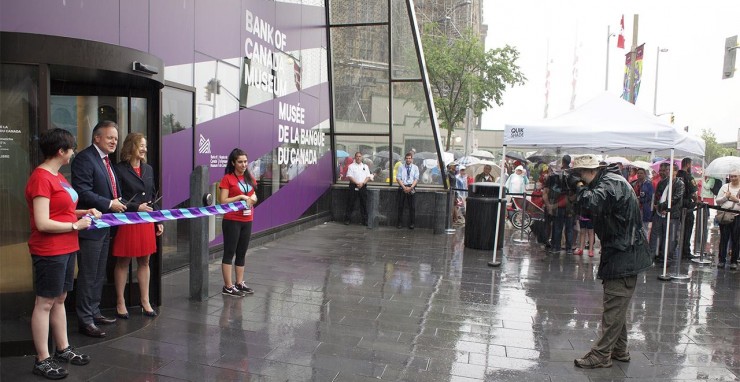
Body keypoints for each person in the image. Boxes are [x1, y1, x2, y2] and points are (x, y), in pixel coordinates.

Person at [25, 128, 100, 379]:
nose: (73, 153)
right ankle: (42, 359)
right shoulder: (41, 178)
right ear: (61, 151)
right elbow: (42, 222)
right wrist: (74, 225)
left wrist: (84, 212)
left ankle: (63, 348)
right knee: (44, 302)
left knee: (59, 299)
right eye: (71, 149)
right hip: (50, 250)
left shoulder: (58, 177)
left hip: (68, 247)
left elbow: (63, 211)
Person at [567, 154, 652, 369]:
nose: (579, 181)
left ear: (587, 172)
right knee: (616, 302)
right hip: (621, 251)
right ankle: (619, 349)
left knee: (614, 304)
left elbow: (592, 202)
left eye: (580, 176)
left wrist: (577, 186)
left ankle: (601, 354)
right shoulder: (610, 181)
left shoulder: (610, 183)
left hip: (624, 253)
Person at [71, 120, 126, 338]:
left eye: (116, 137)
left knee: (98, 273)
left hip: (105, 226)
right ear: (97, 138)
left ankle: (94, 311)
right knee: (88, 274)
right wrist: (109, 203)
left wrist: (118, 202)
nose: (114, 141)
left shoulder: (106, 161)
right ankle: (85, 320)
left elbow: (112, 190)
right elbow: (82, 192)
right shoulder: (85, 159)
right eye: (110, 137)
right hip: (90, 227)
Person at [111, 133, 164, 318]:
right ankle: (120, 301)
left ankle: (145, 301)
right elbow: (116, 197)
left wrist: (158, 219)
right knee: (123, 261)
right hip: (127, 221)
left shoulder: (148, 169)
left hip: (146, 221)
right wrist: (135, 207)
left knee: (145, 261)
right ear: (131, 146)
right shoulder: (118, 169)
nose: (145, 149)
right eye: (141, 145)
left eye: (146, 146)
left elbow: (154, 195)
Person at [219, 148, 258, 297]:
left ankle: (239, 283)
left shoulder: (250, 178)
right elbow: (223, 201)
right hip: (232, 220)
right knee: (229, 252)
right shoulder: (228, 179)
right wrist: (240, 196)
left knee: (242, 252)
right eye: (240, 162)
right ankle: (228, 286)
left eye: (245, 162)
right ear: (233, 163)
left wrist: (252, 199)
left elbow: (254, 196)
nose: (243, 165)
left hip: (247, 219)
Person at [649, 162, 684, 263]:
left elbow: (676, 198)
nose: (668, 172)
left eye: (670, 170)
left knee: (670, 237)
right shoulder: (662, 182)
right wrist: (657, 206)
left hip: (672, 214)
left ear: (676, 172)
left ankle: (667, 258)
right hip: (659, 213)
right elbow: (657, 196)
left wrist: (663, 207)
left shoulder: (679, 183)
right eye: (667, 170)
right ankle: (653, 256)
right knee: (655, 235)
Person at [544, 155, 574, 255]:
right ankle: (569, 248)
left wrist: (549, 205)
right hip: (570, 207)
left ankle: (555, 247)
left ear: (562, 162)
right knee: (569, 228)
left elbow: (546, 191)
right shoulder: (573, 175)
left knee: (557, 227)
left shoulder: (554, 175)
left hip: (557, 206)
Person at [714, 170, 740, 269]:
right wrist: (726, 197)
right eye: (731, 176)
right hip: (725, 215)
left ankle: (734, 261)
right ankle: (721, 260)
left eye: (735, 176)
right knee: (724, 238)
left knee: (736, 239)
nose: (733, 178)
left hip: (737, 217)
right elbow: (718, 201)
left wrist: (736, 200)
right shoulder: (725, 187)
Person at [677, 157, 698, 259]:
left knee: (676, 229)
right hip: (687, 206)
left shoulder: (676, 175)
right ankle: (685, 251)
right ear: (688, 164)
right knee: (687, 229)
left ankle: (677, 249)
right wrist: (696, 200)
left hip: (676, 205)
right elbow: (694, 192)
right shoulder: (689, 177)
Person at [344, 151, 371, 225]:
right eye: (357, 156)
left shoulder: (365, 166)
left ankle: (365, 221)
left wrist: (363, 183)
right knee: (350, 203)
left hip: (363, 186)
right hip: (353, 186)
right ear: (355, 157)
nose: (358, 158)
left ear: (362, 158)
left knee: (364, 204)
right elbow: (349, 176)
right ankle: (347, 219)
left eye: (360, 156)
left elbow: (368, 176)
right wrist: (357, 183)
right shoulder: (351, 166)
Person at [396, 152, 419, 229]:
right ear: (405, 159)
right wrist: (404, 187)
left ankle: (412, 224)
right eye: (407, 158)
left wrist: (411, 187)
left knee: (412, 207)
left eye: (410, 158)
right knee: (400, 206)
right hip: (403, 187)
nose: (408, 160)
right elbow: (398, 178)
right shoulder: (401, 167)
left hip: (411, 187)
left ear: (412, 159)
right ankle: (399, 223)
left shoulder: (415, 167)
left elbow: (416, 179)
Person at [630, 168, 654, 237]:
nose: (639, 174)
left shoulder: (648, 184)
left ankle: (645, 245)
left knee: (644, 228)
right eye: (638, 173)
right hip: (635, 209)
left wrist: (640, 199)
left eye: (641, 173)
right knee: (635, 227)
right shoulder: (634, 183)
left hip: (644, 209)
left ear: (645, 174)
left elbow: (651, 197)